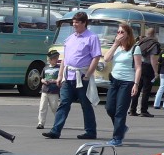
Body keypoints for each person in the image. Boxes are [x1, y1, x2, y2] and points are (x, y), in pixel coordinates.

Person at [42, 11, 101, 140]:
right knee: (64, 103)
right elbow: (65, 59)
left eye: (77, 22)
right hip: (68, 77)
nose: (74, 24)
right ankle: (55, 130)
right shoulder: (70, 38)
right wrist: (60, 76)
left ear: (84, 23)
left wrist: (88, 74)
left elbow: (96, 57)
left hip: (82, 77)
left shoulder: (92, 37)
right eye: (73, 22)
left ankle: (90, 131)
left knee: (86, 105)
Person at [101, 22, 141, 146]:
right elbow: (106, 59)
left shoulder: (135, 48)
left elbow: (138, 67)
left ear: (128, 34)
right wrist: (115, 44)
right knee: (109, 108)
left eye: (122, 32)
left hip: (127, 82)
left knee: (120, 111)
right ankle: (122, 127)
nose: (119, 34)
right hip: (114, 80)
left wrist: (136, 84)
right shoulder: (116, 48)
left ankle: (117, 138)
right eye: (118, 32)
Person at [130, 27, 160, 117]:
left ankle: (132, 110)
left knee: (137, 89)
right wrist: (155, 72)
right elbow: (152, 59)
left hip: (138, 66)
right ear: (154, 34)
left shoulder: (140, 42)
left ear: (146, 33)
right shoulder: (154, 43)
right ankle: (143, 110)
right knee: (146, 90)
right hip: (148, 68)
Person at [36, 50, 60, 130]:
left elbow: (60, 79)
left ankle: (58, 122)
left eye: (57, 58)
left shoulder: (59, 68)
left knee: (54, 108)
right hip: (45, 91)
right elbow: (41, 78)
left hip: (54, 91)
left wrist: (55, 81)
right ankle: (41, 123)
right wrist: (43, 81)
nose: (56, 60)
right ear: (50, 60)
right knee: (42, 107)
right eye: (54, 58)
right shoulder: (45, 68)